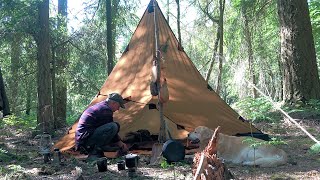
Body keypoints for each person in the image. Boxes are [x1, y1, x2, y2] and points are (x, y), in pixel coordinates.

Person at [75, 93, 129, 160]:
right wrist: (120, 144)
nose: (118, 109)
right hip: (85, 141)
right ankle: (94, 153)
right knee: (113, 126)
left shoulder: (102, 106)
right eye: (118, 106)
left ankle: (102, 148)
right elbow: (109, 129)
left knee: (114, 126)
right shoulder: (105, 109)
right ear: (113, 103)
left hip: (84, 138)